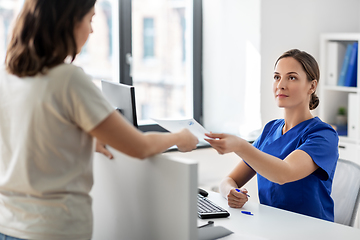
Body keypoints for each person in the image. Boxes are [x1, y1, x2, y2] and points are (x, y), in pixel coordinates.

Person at [0, 0, 198, 239]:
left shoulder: (8, 77)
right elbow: (140, 147)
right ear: (68, 23)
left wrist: (80, 141)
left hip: (8, 225)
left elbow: (28, 138)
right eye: (90, 19)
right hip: (52, 229)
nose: (92, 30)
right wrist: (180, 137)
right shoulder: (68, 79)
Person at [205, 49, 339, 221]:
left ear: (312, 86)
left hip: (311, 231)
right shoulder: (270, 129)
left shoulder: (324, 135)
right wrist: (231, 192)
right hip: (271, 226)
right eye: (277, 77)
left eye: (291, 77)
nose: (280, 85)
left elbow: (284, 174)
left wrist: (239, 145)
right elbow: (229, 180)